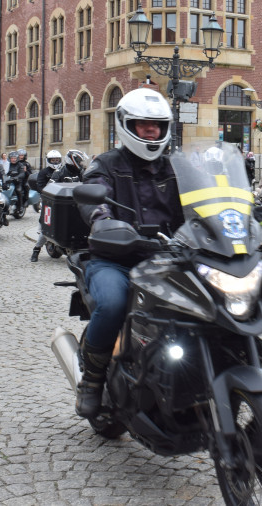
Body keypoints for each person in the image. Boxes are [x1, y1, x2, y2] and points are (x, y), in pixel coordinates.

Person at [74, 88, 184, 418]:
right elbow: (93, 200)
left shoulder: (177, 168)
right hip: (115, 259)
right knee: (112, 305)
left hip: (169, 259)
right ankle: (92, 381)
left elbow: (205, 201)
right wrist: (103, 222)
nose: (151, 132)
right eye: (142, 125)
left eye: (157, 126)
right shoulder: (105, 165)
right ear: (126, 126)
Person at [29, 150, 64, 262]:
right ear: (48, 161)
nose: (55, 162)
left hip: (63, 201)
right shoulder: (44, 172)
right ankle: (36, 250)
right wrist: (48, 193)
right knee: (47, 226)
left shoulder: (63, 171)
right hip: (48, 200)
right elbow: (39, 185)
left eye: (57, 160)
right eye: (53, 160)